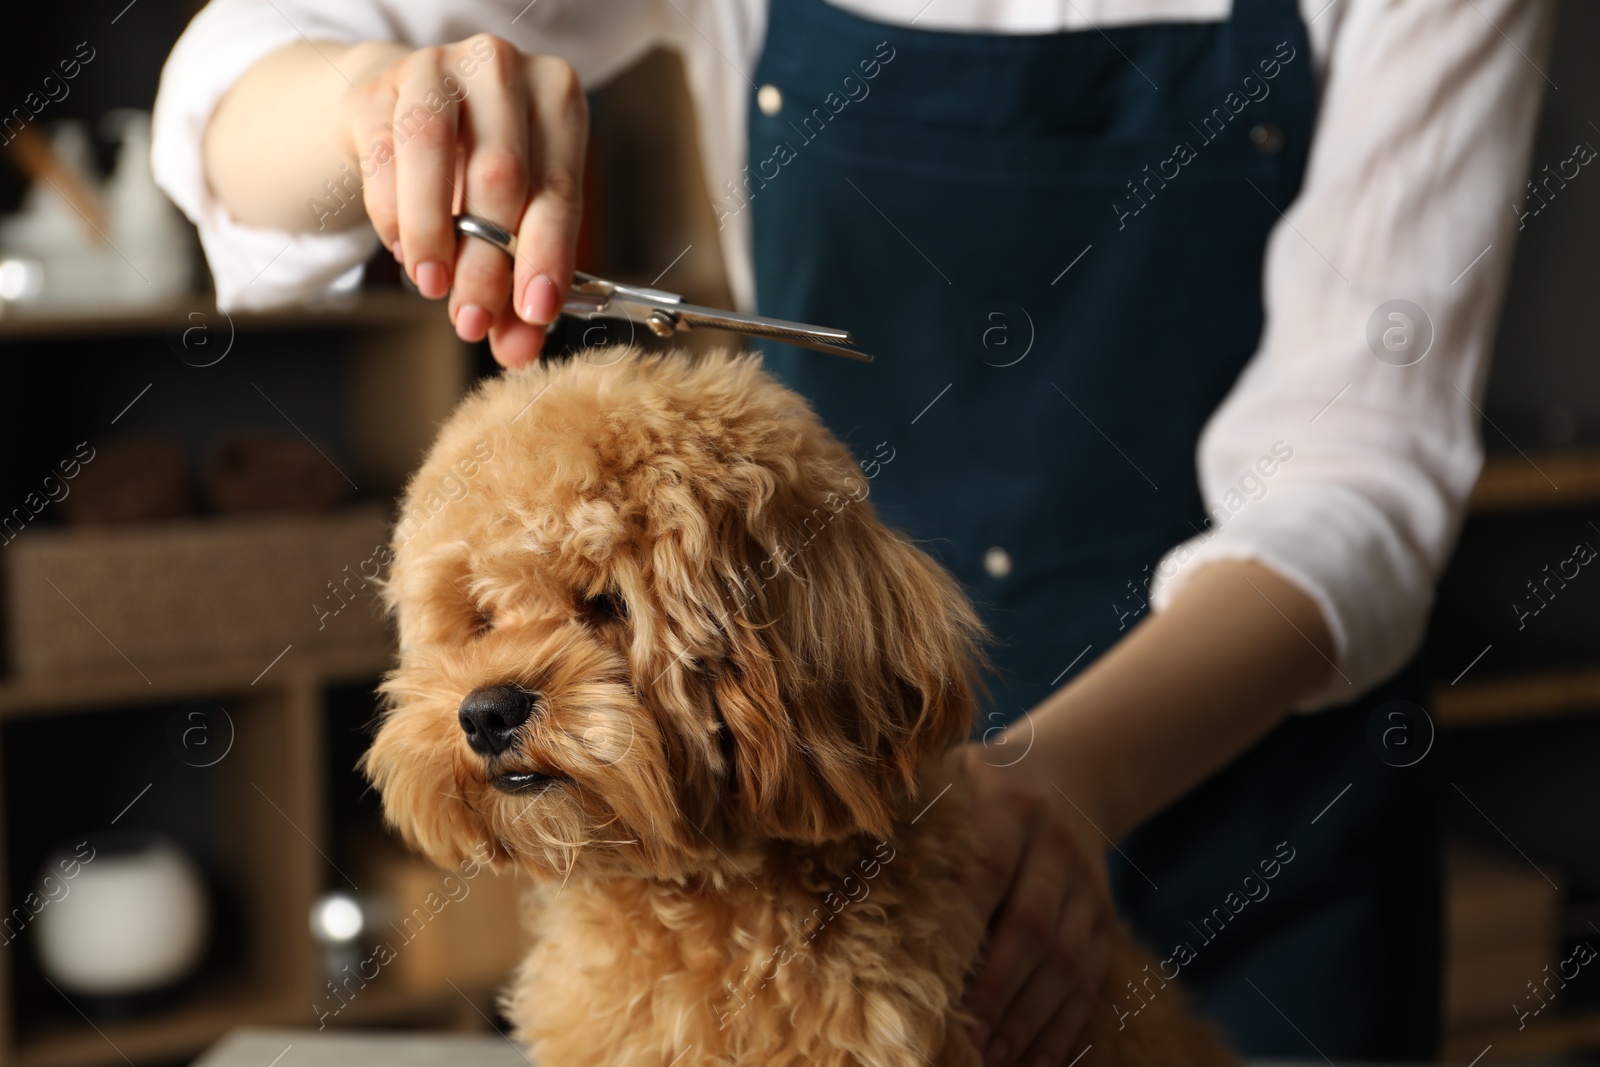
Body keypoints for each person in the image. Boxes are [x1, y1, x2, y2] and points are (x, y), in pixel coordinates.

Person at [153, 1, 1553, 1063]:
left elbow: (1357, 474)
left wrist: (1057, 788)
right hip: (749, 749)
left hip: (1262, 808)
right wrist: (372, 109)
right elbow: (232, 90)